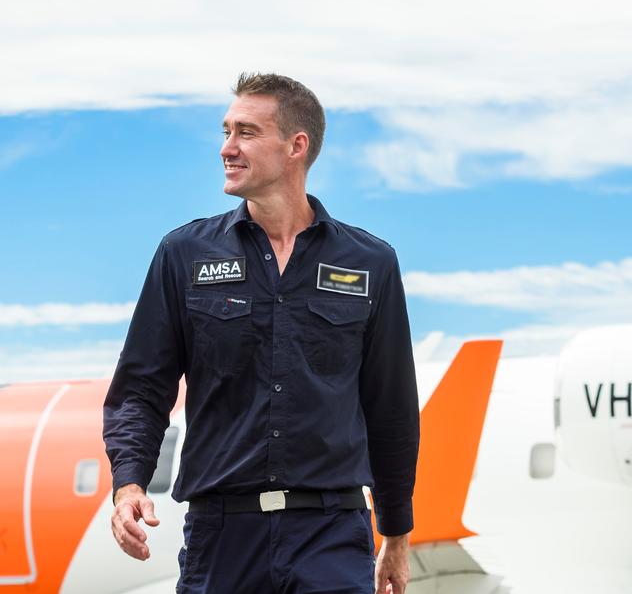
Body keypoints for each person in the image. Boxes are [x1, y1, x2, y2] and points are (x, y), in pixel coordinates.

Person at [103, 72, 419, 594]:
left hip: (331, 535)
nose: (227, 148)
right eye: (226, 131)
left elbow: (390, 408)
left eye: (246, 133)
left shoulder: (370, 263)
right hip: (221, 537)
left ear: (297, 146)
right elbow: (141, 387)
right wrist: (128, 483)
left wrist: (397, 534)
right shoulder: (184, 255)